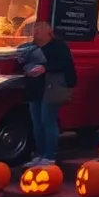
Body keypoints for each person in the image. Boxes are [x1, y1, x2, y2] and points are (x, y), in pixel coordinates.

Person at [23, 22, 77, 165]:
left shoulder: (59, 46)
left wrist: (45, 68)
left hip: (51, 88)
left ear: (48, 31)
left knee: (48, 120)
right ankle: (39, 153)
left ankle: (50, 154)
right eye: (34, 31)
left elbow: (65, 64)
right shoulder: (31, 47)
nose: (36, 33)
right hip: (35, 88)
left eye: (39, 30)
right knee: (36, 121)